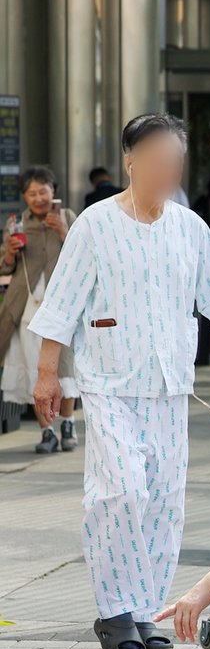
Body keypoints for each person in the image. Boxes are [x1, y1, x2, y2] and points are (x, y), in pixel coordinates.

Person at [28, 111, 210, 649]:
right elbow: (63, 302)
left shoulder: (189, 227)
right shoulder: (96, 225)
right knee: (120, 490)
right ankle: (114, 609)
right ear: (132, 161)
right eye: (157, 160)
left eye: (175, 161)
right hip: (109, 381)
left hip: (169, 385)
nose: (167, 170)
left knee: (164, 500)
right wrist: (47, 372)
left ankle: (146, 609)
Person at [1, 167, 79, 453]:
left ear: (53, 191)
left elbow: (86, 256)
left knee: (65, 366)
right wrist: (9, 253)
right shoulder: (16, 224)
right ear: (24, 197)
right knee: (37, 370)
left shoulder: (69, 217)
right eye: (31, 193)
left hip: (63, 307)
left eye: (42, 191)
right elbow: (4, 267)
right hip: (28, 308)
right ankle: (47, 431)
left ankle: (68, 422)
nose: (38, 198)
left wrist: (63, 231)